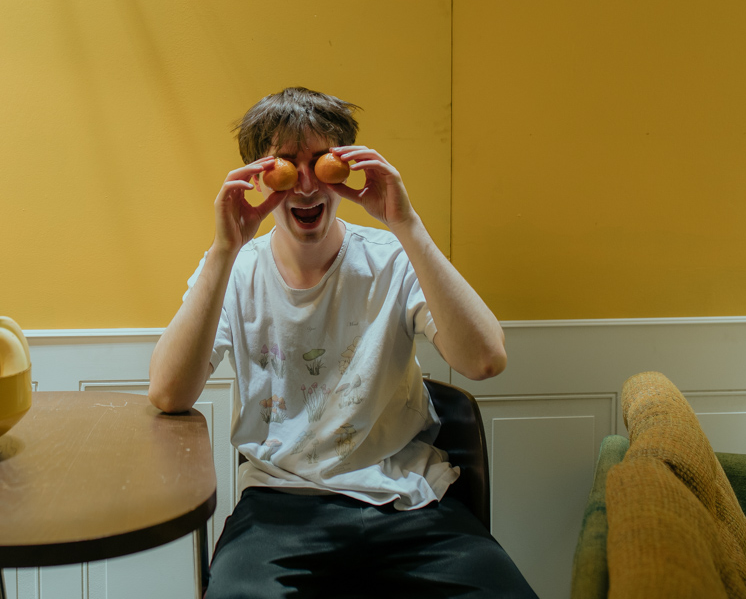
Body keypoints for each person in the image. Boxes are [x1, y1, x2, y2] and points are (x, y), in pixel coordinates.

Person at [148, 87, 536, 598]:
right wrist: (224, 249)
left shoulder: (391, 257)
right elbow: (167, 394)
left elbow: (485, 360)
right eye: (287, 165)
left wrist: (406, 224)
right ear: (260, 176)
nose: (307, 185)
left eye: (319, 162)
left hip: (407, 497)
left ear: (345, 166)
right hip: (280, 505)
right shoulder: (235, 270)